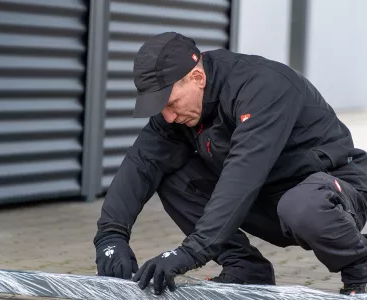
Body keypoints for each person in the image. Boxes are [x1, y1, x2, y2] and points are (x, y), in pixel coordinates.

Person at [92, 31, 367, 296]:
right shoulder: (179, 112)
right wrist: (110, 235)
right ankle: (246, 270)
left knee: (302, 203)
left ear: (197, 77)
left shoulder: (262, 85)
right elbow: (142, 162)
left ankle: (361, 271)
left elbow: (243, 173)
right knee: (171, 176)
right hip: (266, 199)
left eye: (171, 104)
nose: (169, 117)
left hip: (333, 192)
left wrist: (190, 252)